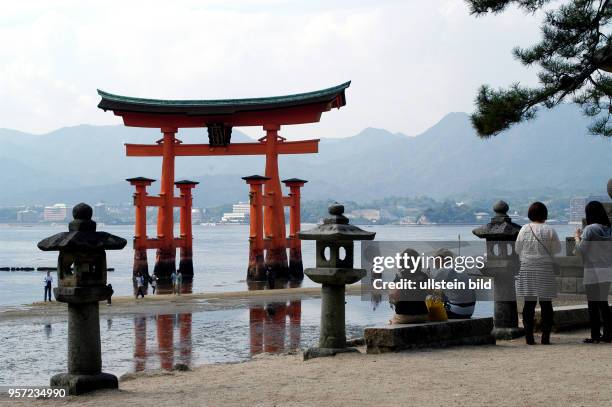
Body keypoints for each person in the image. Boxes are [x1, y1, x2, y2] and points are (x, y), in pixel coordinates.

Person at [515, 202, 561, 345]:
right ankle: (545, 337)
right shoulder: (550, 230)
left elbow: (517, 249)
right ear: (545, 214)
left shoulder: (524, 229)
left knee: (529, 304)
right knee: (546, 304)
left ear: (530, 214)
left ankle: (529, 337)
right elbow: (557, 249)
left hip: (527, 267)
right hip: (545, 269)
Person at [575, 201, 612, 343]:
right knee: (603, 304)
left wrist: (577, 236)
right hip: (606, 269)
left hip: (592, 270)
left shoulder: (590, 229)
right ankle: (608, 333)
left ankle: (595, 335)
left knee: (592, 304)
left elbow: (580, 250)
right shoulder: (609, 229)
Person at [431, 248, 476, 319]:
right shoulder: (460, 268)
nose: (434, 262)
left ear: (441, 259)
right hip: (469, 312)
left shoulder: (443, 270)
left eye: (435, 259)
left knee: (429, 302)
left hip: (457, 312)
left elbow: (430, 291)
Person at [389, 248, 429, 324]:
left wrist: (395, 302)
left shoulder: (399, 277)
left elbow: (394, 295)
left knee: (391, 321)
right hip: (423, 315)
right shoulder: (424, 276)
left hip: (404, 316)